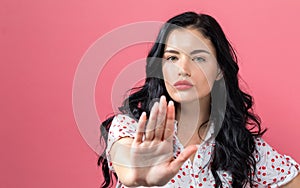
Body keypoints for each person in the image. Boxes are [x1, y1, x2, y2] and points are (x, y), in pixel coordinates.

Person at [98, 12, 300, 187]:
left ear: (220, 70)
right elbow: (126, 161)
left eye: (199, 58)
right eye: (172, 58)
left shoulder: (243, 148)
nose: (183, 70)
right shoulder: (131, 127)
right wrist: (136, 173)